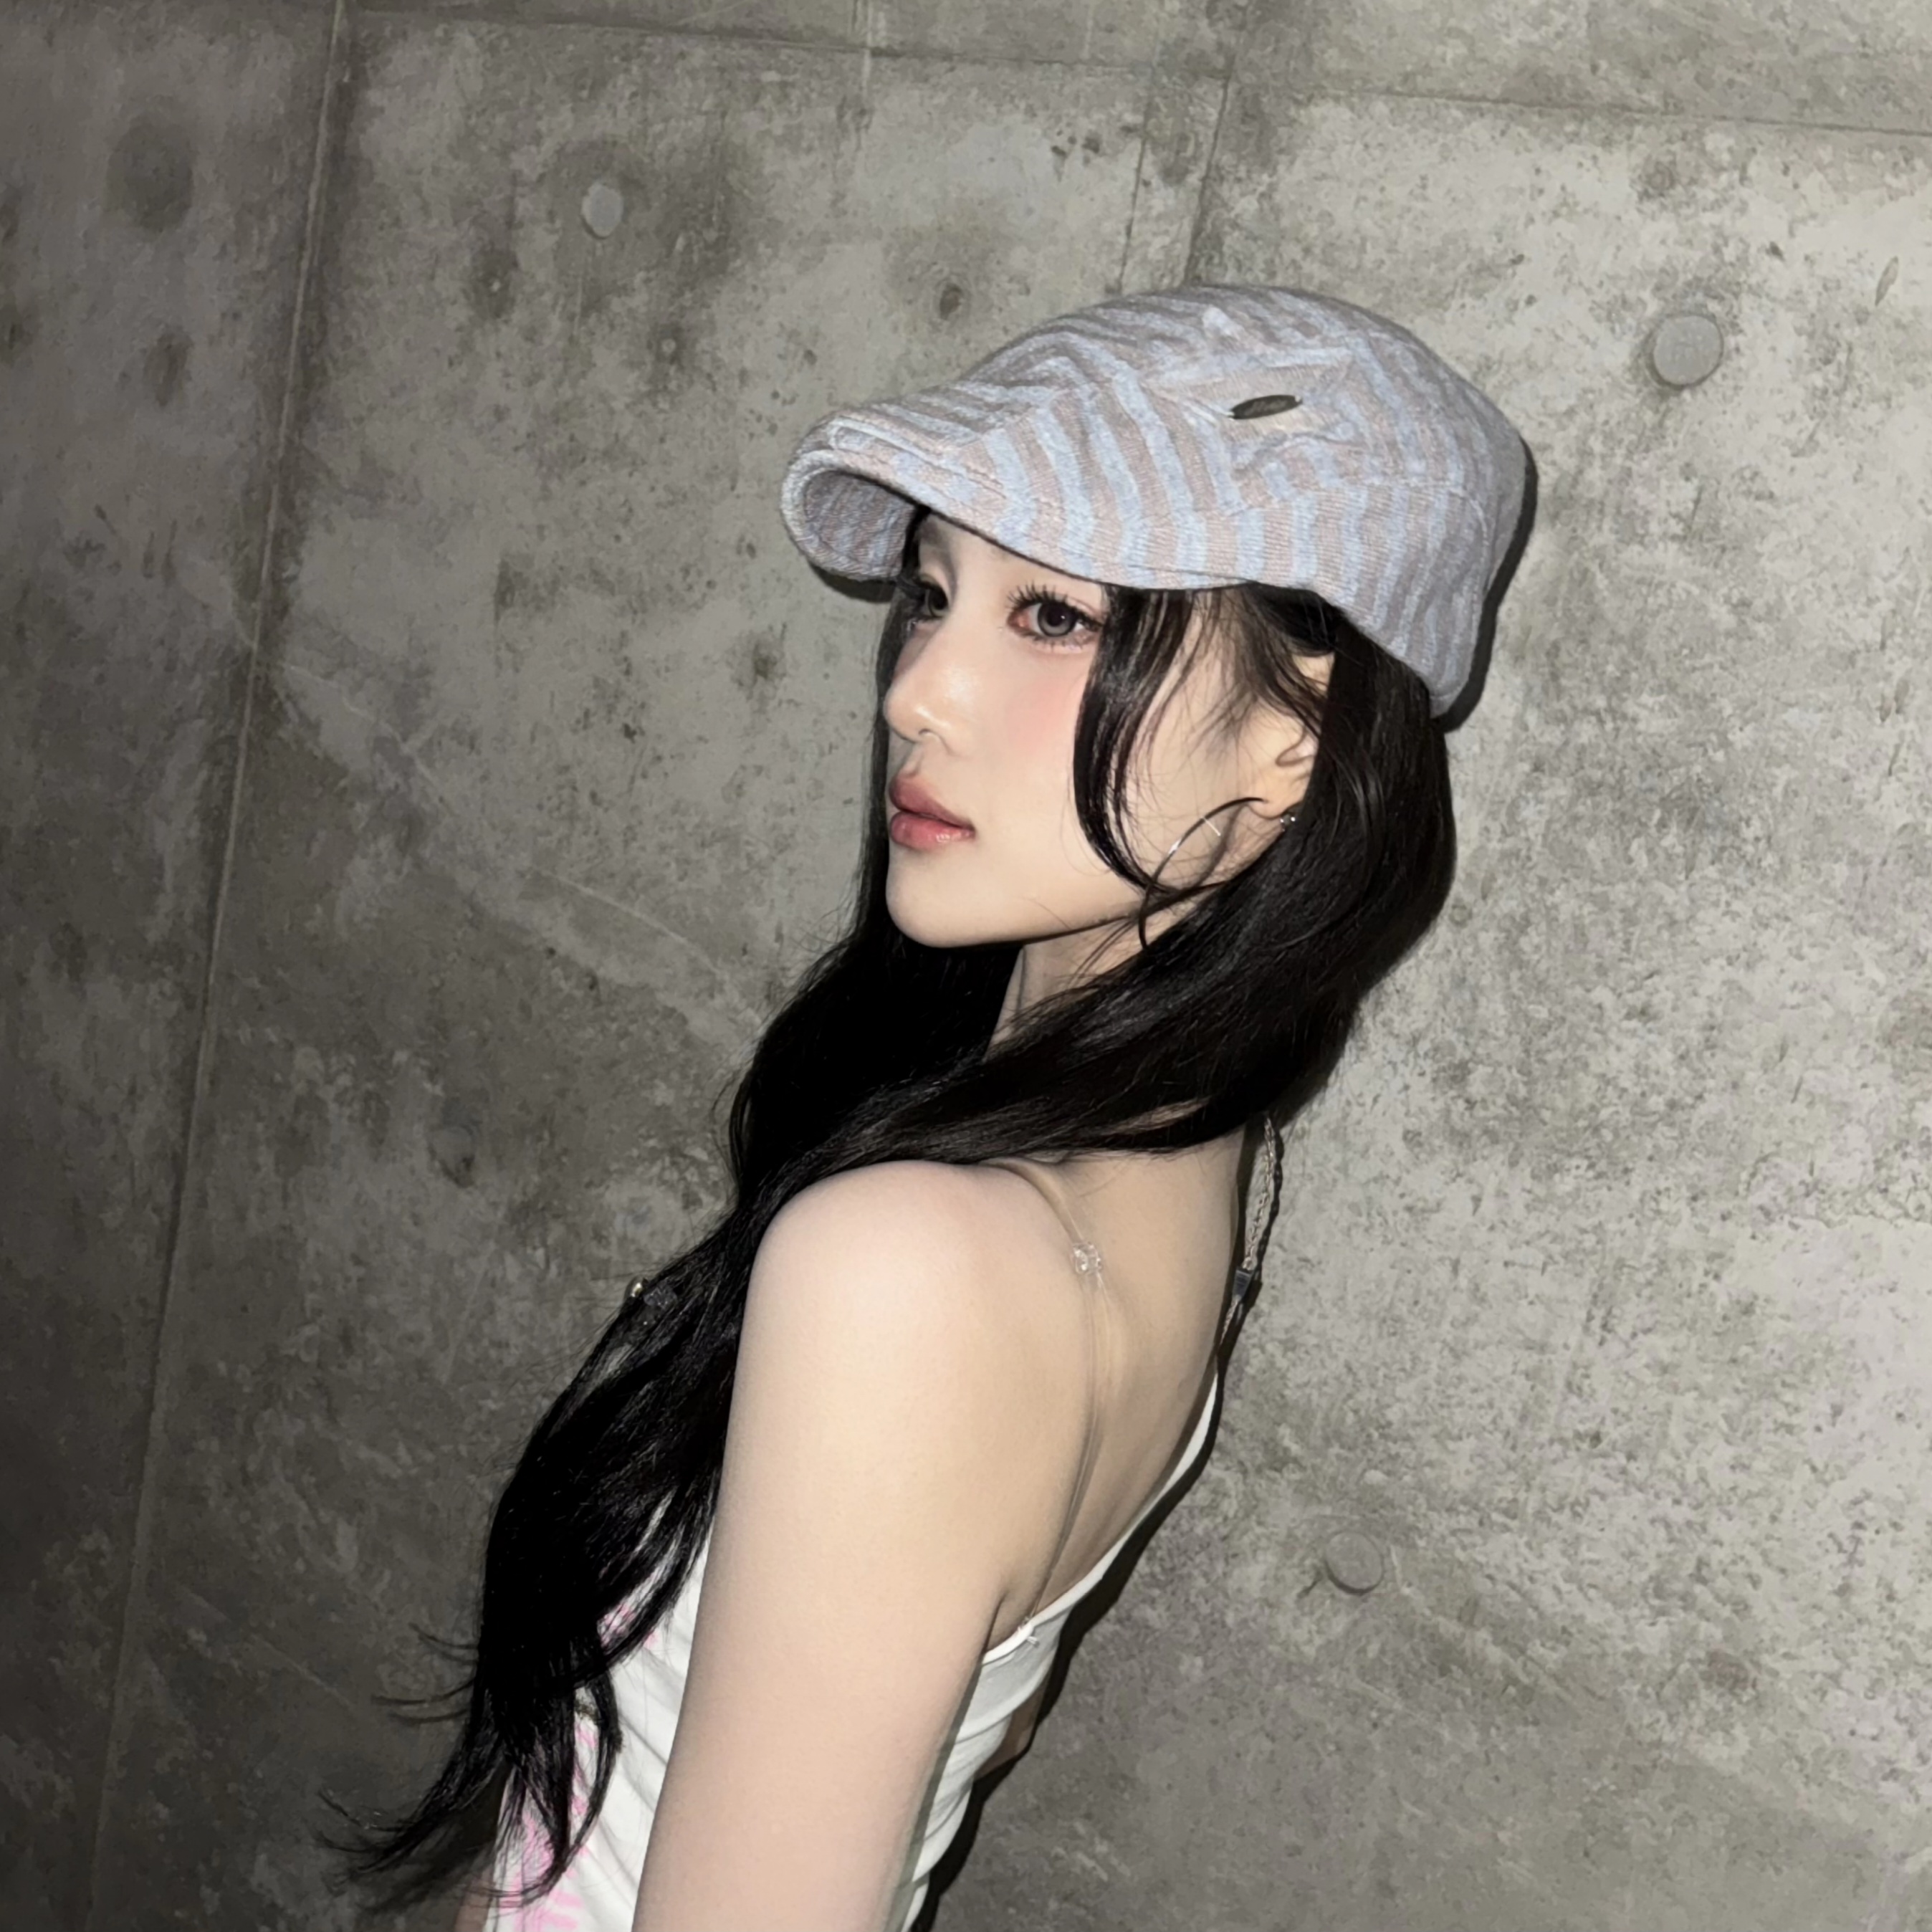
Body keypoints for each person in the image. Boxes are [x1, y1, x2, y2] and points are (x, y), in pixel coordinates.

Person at [348, 284, 1528, 1931]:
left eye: (1049, 615)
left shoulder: (914, 1264)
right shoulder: (1184, 1169)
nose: (916, 691)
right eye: (930, 593)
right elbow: (982, 1692)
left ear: (1289, 746)